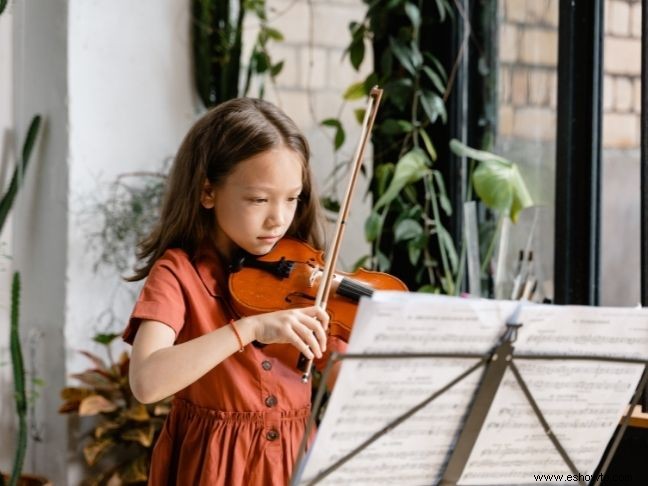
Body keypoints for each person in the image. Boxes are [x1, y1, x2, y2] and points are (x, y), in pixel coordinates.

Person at [123, 97, 346, 485]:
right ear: (207, 192)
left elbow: (346, 377)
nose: (278, 218)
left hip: (293, 466)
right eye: (259, 199)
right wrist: (252, 329)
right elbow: (146, 382)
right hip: (212, 470)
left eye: (292, 198)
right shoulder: (178, 274)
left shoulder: (304, 277)